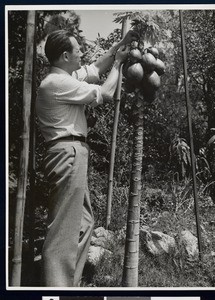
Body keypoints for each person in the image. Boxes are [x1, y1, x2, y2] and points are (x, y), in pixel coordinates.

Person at [35, 29, 138, 287]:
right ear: (66, 55)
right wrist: (118, 64)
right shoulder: (57, 83)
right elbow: (103, 94)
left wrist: (120, 44)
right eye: (78, 48)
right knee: (62, 230)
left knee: (84, 222)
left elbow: (94, 68)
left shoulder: (64, 76)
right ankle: (57, 288)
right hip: (67, 152)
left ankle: (68, 281)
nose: (82, 51)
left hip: (73, 152)